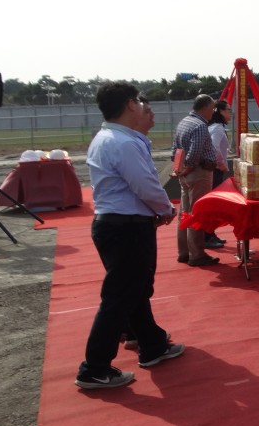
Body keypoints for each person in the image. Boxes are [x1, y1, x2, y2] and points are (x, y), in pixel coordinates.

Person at [75, 82, 184, 390]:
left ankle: (151, 343)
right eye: (138, 101)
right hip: (125, 227)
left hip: (119, 224)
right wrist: (165, 208)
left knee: (133, 290)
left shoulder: (110, 137)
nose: (144, 107)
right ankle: (94, 368)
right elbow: (145, 184)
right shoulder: (122, 142)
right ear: (129, 105)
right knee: (119, 297)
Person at [172, 94, 220, 267]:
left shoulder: (184, 122)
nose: (213, 112)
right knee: (196, 213)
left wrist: (179, 168)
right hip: (198, 172)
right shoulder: (200, 125)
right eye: (212, 108)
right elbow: (195, 152)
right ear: (205, 107)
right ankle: (197, 254)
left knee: (184, 213)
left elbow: (175, 148)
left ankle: (184, 251)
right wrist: (189, 168)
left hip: (185, 173)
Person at [204, 99, 234, 249]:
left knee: (213, 204)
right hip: (215, 170)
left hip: (214, 169)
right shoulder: (217, 129)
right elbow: (214, 148)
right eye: (228, 110)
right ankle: (207, 235)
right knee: (212, 205)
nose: (230, 113)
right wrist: (222, 165)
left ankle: (210, 234)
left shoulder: (216, 127)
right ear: (220, 112)